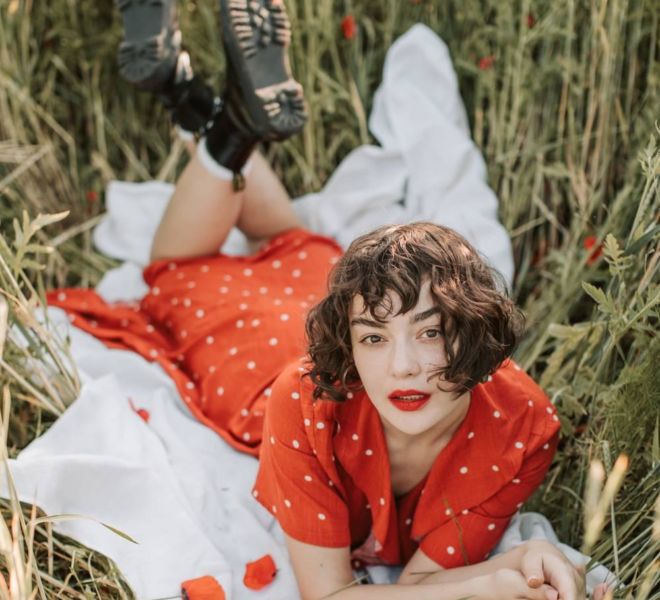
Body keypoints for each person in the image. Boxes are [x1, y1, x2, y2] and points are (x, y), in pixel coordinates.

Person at [49, 1, 610, 598]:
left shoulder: (520, 427)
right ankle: (217, 122)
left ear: (474, 329)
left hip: (315, 281)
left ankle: (199, 102)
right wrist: (485, 585)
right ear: (350, 340)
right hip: (252, 341)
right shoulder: (304, 401)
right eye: (375, 338)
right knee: (176, 270)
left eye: (431, 331)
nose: (404, 367)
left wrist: (516, 563)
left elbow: (423, 585)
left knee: (289, 240)